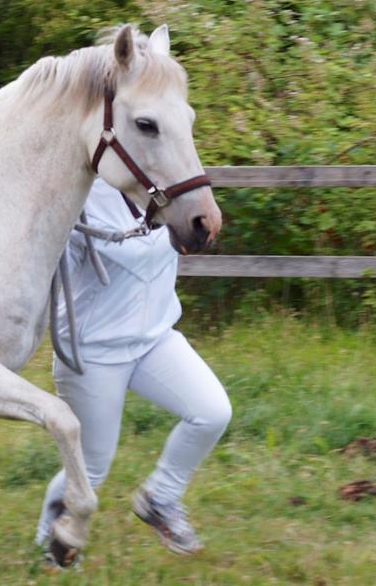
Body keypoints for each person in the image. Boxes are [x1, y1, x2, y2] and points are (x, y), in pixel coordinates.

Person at [35, 177, 232, 557]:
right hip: (93, 351)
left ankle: (160, 497)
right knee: (90, 469)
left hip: (155, 338)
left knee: (212, 413)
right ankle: (50, 543)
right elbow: (50, 271)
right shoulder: (81, 199)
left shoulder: (173, 190)